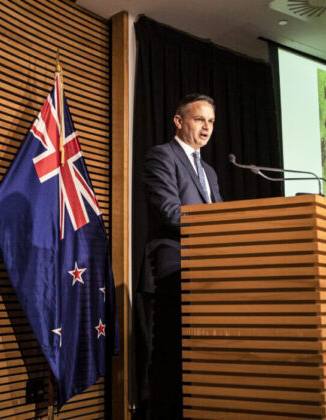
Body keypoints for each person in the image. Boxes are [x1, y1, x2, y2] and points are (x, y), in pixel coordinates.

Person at [135, 94, 223, 419]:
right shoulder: (162, 157)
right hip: (174, 268)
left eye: (211, 122)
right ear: (179, 121)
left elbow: (222, 219)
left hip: (207, 272)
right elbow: (171, 212)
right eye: (200, 119)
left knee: (201, 358)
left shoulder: (210, 172)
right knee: (172, 359)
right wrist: (216, 228)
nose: (206, 127)